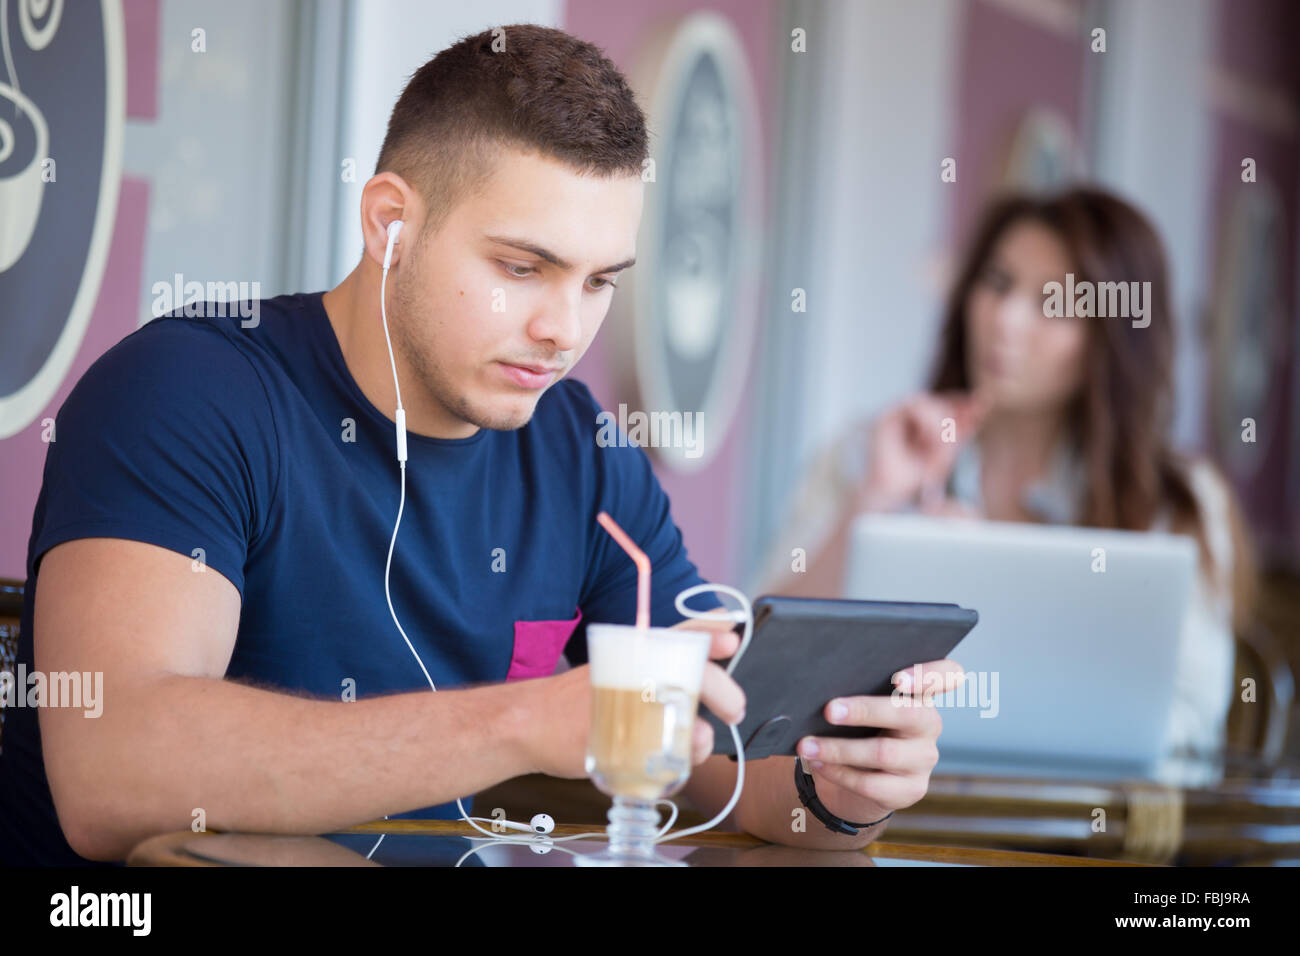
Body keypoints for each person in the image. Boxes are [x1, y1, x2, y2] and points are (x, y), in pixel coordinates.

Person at [0, 25, 958, 865]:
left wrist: (845, 787)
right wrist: (525, 723)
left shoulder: (583, 455)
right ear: (390, 224)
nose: (563, 328)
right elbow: (114, 773)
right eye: (521, 268)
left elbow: (737, 769)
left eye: (598, 282)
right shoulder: (187, 393)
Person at [759, 187, 1255, 779]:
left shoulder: (1178, 500)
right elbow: (761, 650)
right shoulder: (871, 449)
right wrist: (874, 502)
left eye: (1053, 303)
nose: (1006, 321)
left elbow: (1190, 727)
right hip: (874, 809)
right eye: (996, 283)